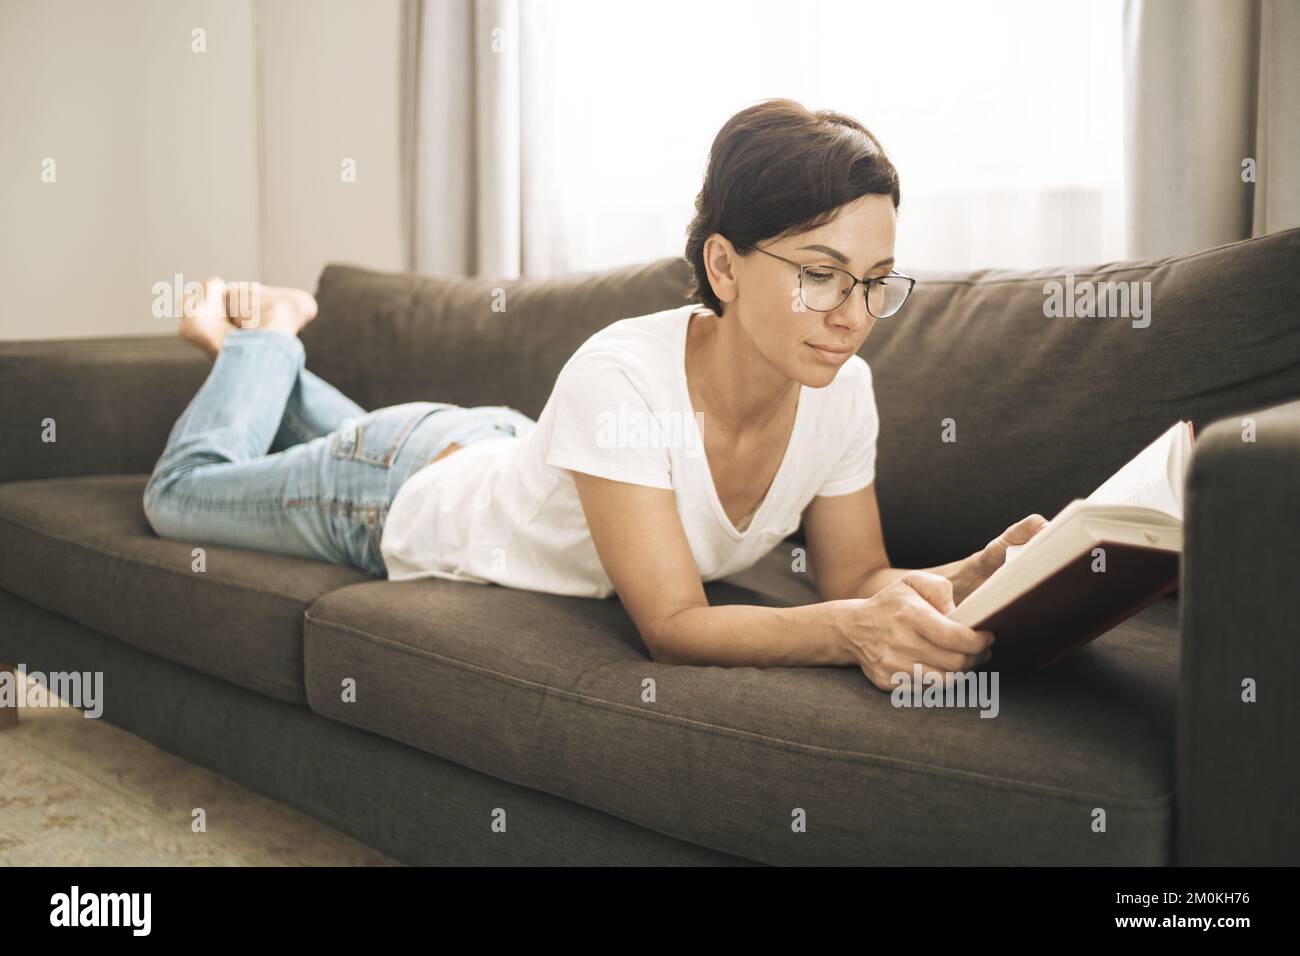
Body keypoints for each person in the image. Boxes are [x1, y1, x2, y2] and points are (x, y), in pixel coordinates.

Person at [144, 98, 1046, 691]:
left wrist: (957, 581)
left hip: (493, 447)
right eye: (822, 275)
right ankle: (268, 335)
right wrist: (852, 632)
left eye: (877, 280)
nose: (854, 316)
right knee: (175, 496)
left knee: (377, 439)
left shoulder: (844, 392)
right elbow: (674, 625)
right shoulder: (621, 374)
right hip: (387, 491)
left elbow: (855, 578)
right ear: (723, 266)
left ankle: (272, 365)